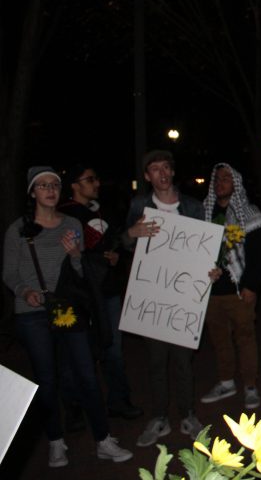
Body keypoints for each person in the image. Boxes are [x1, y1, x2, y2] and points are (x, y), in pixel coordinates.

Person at [3, 166, 133, 468]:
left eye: (55, 185)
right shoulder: (18, 229)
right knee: (47, 379)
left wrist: (76, 254)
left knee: (87, 374)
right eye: (43, 185)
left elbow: (81, 275)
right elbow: (9, 272)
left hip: (67, 307)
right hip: (33, 312)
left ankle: (103, 440)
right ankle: (55, 441)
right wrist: (25, 291)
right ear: (32, 192)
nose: (50, 190)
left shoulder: (72, 223)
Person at [123, 150, 205, 447]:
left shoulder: (193, 207)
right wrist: (132, 232)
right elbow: (124, 245)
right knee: (156, 362)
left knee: (183, 361)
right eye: (155, 169)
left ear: (173, 171)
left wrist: (210, 271)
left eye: (166, 167)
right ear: (147, 176)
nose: (162, 174)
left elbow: (206, 250)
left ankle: (188, 415)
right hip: (152, 297)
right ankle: (159, 417)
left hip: (183, 298)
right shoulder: (139, 205)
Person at [58, 163, 143, 421]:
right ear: (74, 185)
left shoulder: (103, 210)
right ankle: (76, 407)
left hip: (107, 291)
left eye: (96, 178)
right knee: (80, 352)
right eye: (90, 179)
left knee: (113, 349)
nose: (96, 183)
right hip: (80, 296)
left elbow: (113, 242)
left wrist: (116, 255)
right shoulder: (63, 216)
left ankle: (118, 400)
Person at [199, 163, 261, 410]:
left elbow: (259, 255)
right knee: (219, 339)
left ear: (236, 183)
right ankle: (226, 382)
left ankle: (250, 385)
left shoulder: (249, 214)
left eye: (227, 178)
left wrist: (251, 285)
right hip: (211, 291)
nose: (221, 182)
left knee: (245, 338)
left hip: (240, 289)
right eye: (217, 178)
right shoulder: (203, 213)